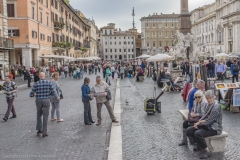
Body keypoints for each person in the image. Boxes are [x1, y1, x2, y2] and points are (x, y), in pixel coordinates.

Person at [186, 90, 222, 159]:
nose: (208, 100)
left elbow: (210, 120)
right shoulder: (209, 105)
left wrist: (199, 123)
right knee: (189, 130)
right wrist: (198, 123)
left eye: (210, 98)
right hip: (208, 125)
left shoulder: (216, 106)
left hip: (215, 128)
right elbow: (205, 115)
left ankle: (207, 151)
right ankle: (199, 146)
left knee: (197, 133)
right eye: (207, 98)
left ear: (213, 98)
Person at [30, 72, 55, 137]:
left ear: (39, 76)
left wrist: (35, 94)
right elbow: (53, 92)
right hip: (46, 100)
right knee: (45, 116)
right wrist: (48, 94)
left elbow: (31, 94)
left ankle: (39, 129)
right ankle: (44, 132)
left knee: (38, 114)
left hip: (38, 100)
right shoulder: (49, 83)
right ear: (45, 76)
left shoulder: (36, 84)